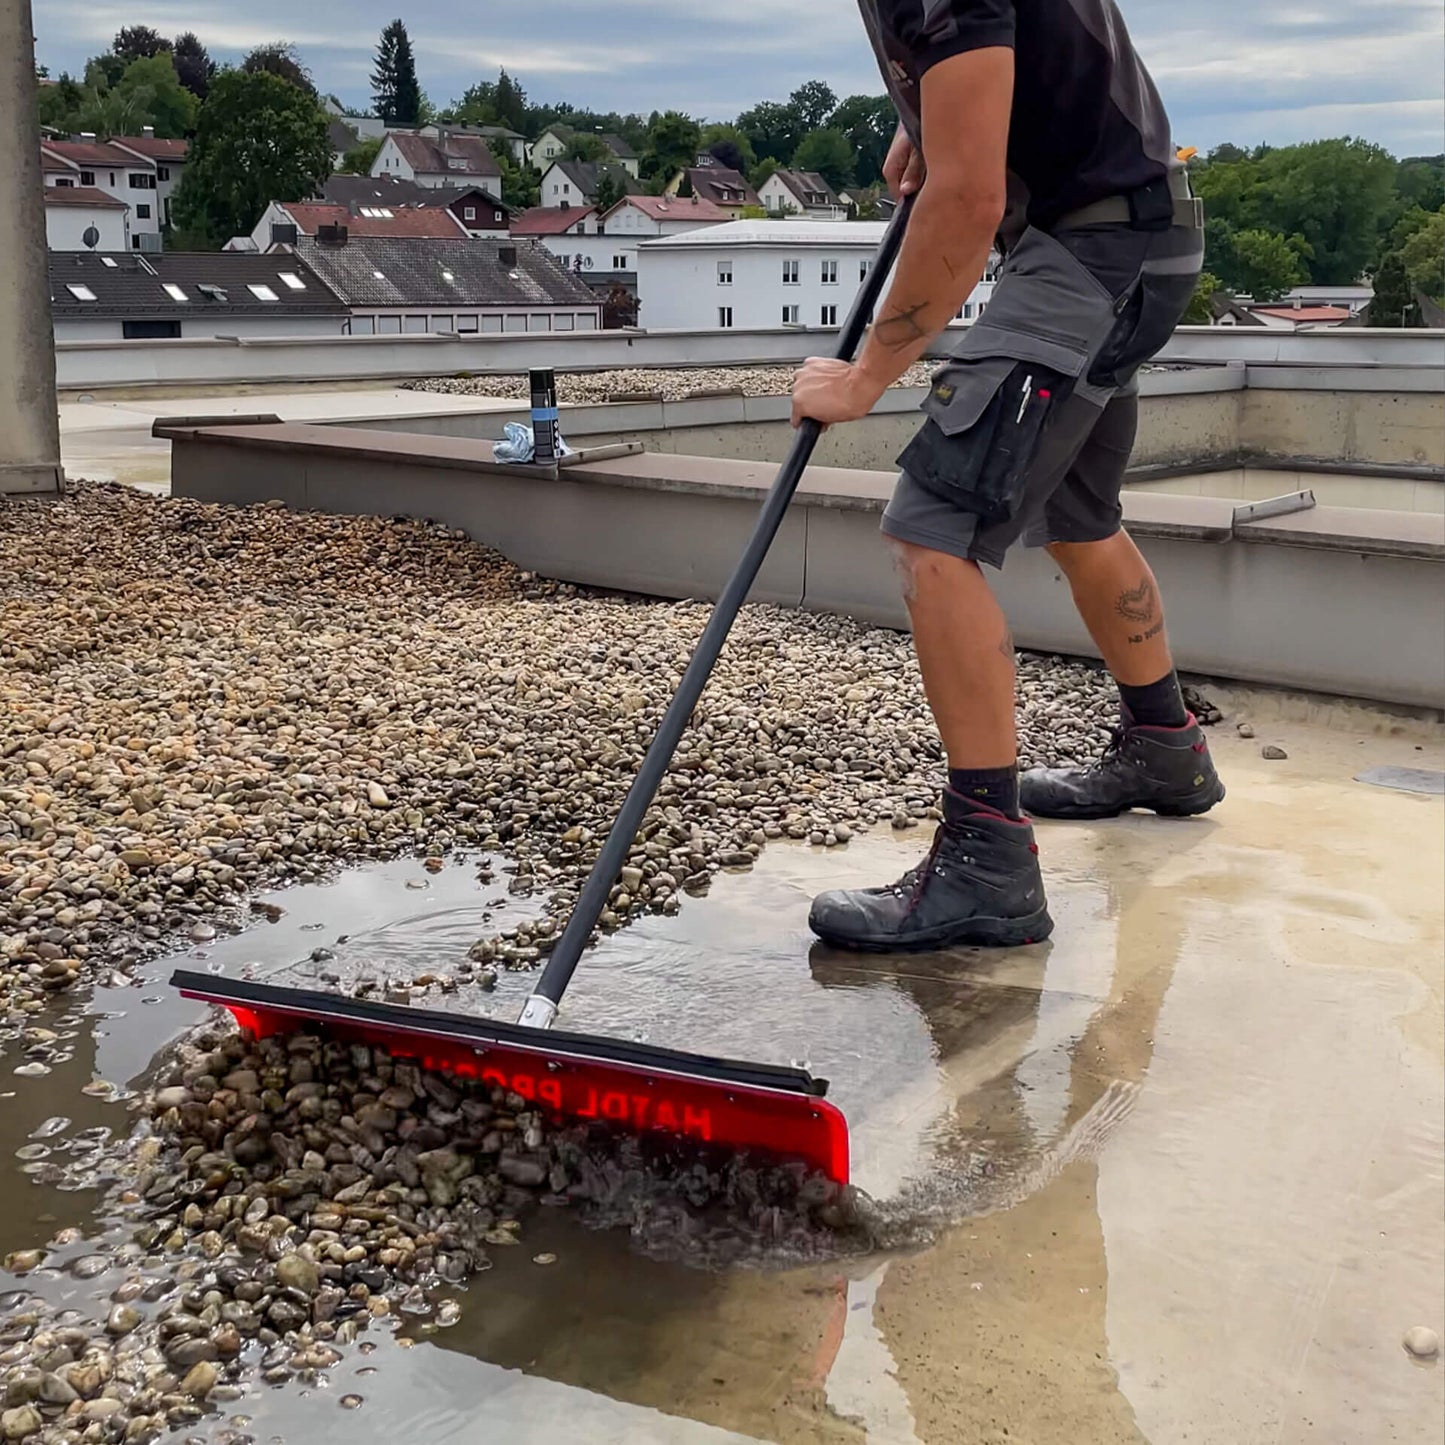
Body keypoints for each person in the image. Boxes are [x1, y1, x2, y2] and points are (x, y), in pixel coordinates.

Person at [793, 0, 1224, 952]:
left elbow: (967, 199)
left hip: (1092, 246)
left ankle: (986, 865)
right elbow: (1003, 94)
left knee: (932, 526)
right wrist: (926, 130)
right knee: (1077, 512)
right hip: (1136, 235)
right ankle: (1166, 752)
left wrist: (865, 375)